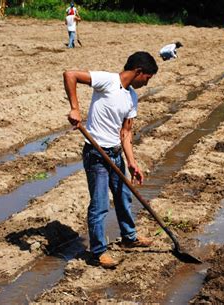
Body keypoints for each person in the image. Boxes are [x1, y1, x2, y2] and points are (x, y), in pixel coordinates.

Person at [64, 52, 158, 268]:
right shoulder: (108, 80)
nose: (147, 82)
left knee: (124, 196)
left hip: (115, 154)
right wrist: (75, 108)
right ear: (139, 72)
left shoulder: (132, 97)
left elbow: (125, 133)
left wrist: (132, 162)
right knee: (99, 205)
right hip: (97, 154)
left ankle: (129, 237)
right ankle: (98, 252)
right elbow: (70, 74)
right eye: (148, 77)